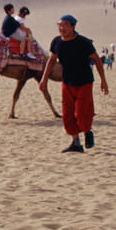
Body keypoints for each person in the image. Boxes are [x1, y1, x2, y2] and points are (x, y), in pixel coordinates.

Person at [39, 14, 109, 154]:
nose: (61, 28)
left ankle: (87, 132)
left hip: (84, 82)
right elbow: (52, 60)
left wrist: (103, 80)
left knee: (82, 113)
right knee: (67, 114)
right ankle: (76, 142)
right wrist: (44, 78)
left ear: (72, 27)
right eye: (59, 25)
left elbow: (97, 60)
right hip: (67, 82)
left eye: (65, 25)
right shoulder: (56, 42)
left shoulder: (83, 42)